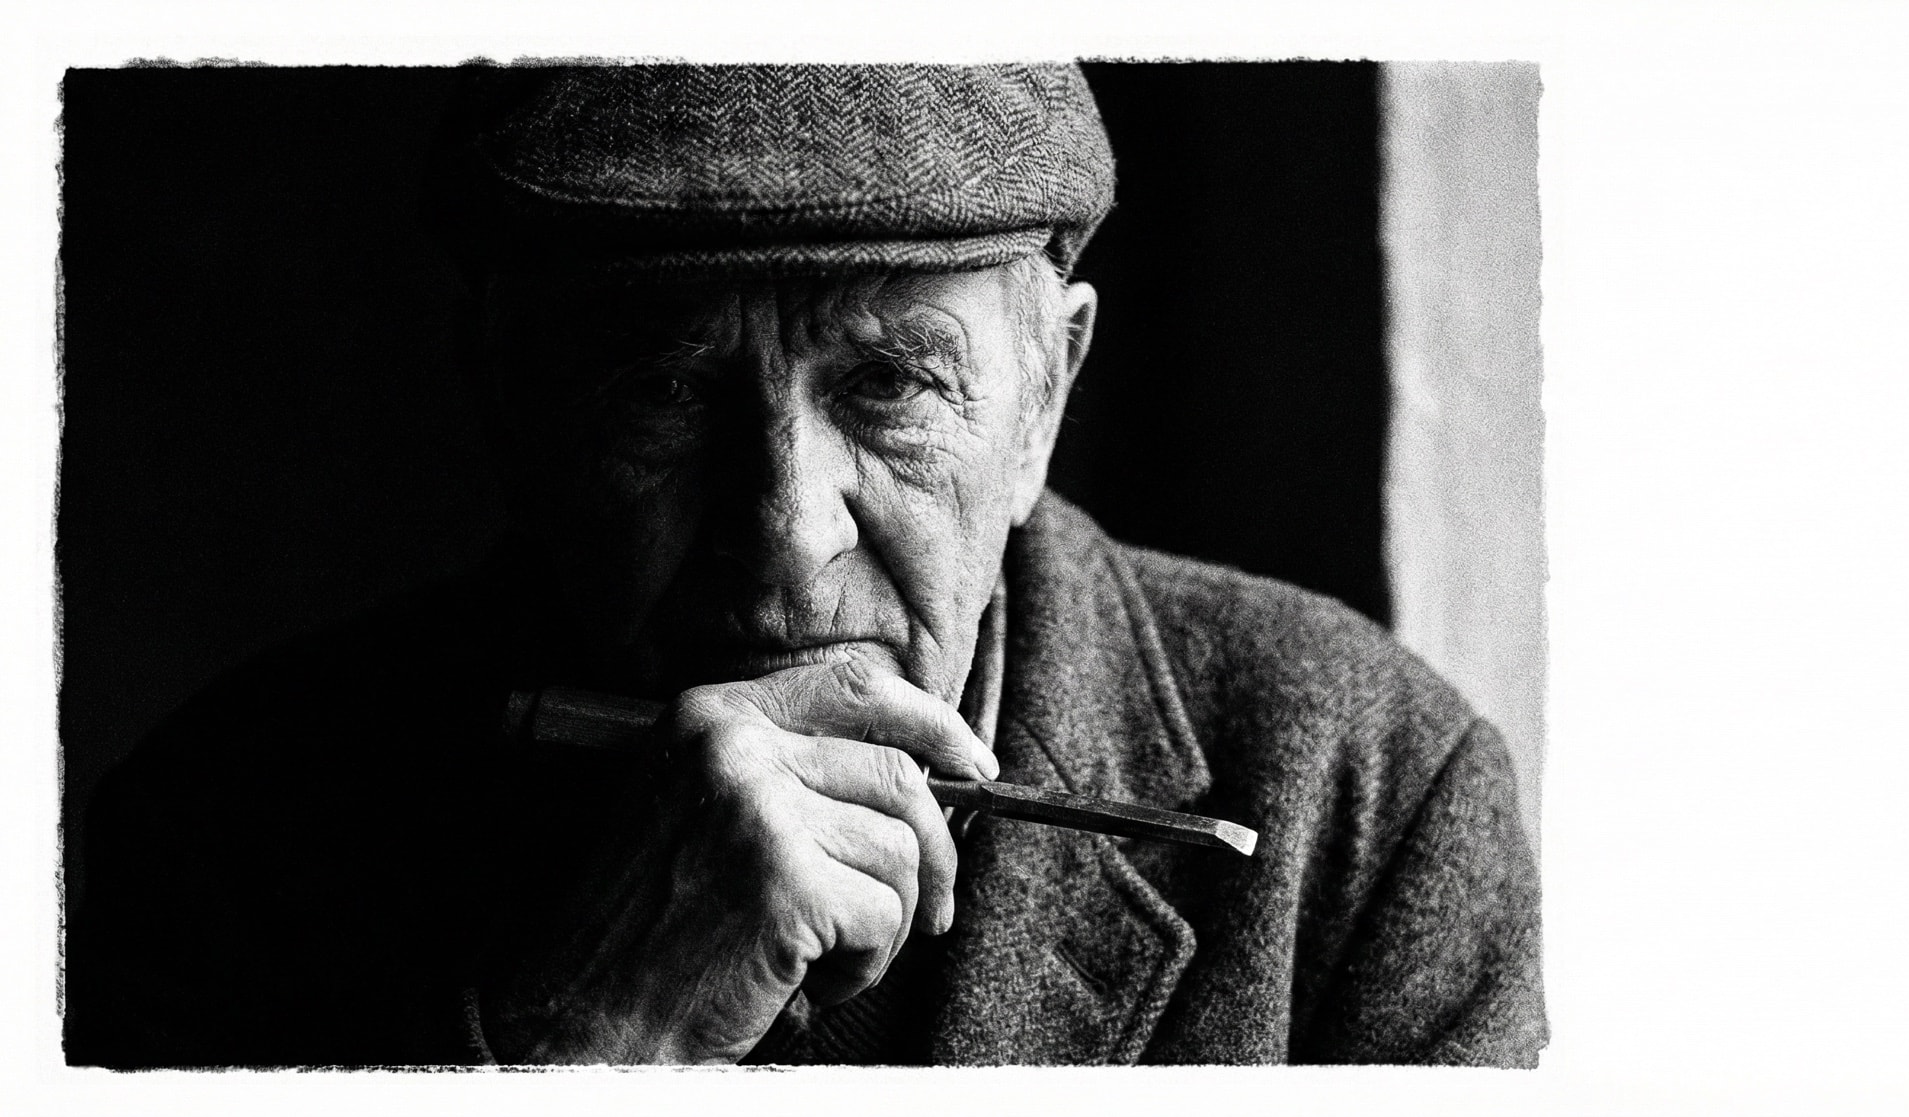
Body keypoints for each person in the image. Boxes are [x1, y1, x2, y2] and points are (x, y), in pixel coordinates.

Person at [65, 63, 1546, 1067]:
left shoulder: (1360, 802)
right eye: (665, 390)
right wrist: (593, 1043)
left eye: (893, 386)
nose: (786, 531)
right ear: (507, 399)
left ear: (1048, 397)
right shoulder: (220, 843)